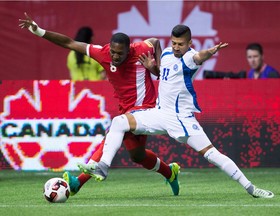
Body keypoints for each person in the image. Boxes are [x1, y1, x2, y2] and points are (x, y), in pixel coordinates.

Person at [78, 24, 274, 198]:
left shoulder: (190, 57)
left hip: (182, 120)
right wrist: (152, 67)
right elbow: (164, 75)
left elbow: (199, 56)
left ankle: (251, 188)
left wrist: (210, 51)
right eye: (174, 43)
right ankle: (103, 167)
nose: (177, 47)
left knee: (213, 155)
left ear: (189, 43)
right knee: (119, 122)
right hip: (160, 113)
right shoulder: (166, 54)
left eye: (181, 43)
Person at [19, 12, 180, 196]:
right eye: (113, 51)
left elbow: (156, 42)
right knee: (138, 156)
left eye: (120, 53)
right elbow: (69, 43)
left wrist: (157, 69)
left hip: (146, 109)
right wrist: (39, 31)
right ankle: (170, 172)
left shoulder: (141, 50)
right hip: (127, 109)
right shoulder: (102, 53)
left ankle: (78, 183)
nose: (115, 56)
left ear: (130, 50)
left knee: (115, 129)